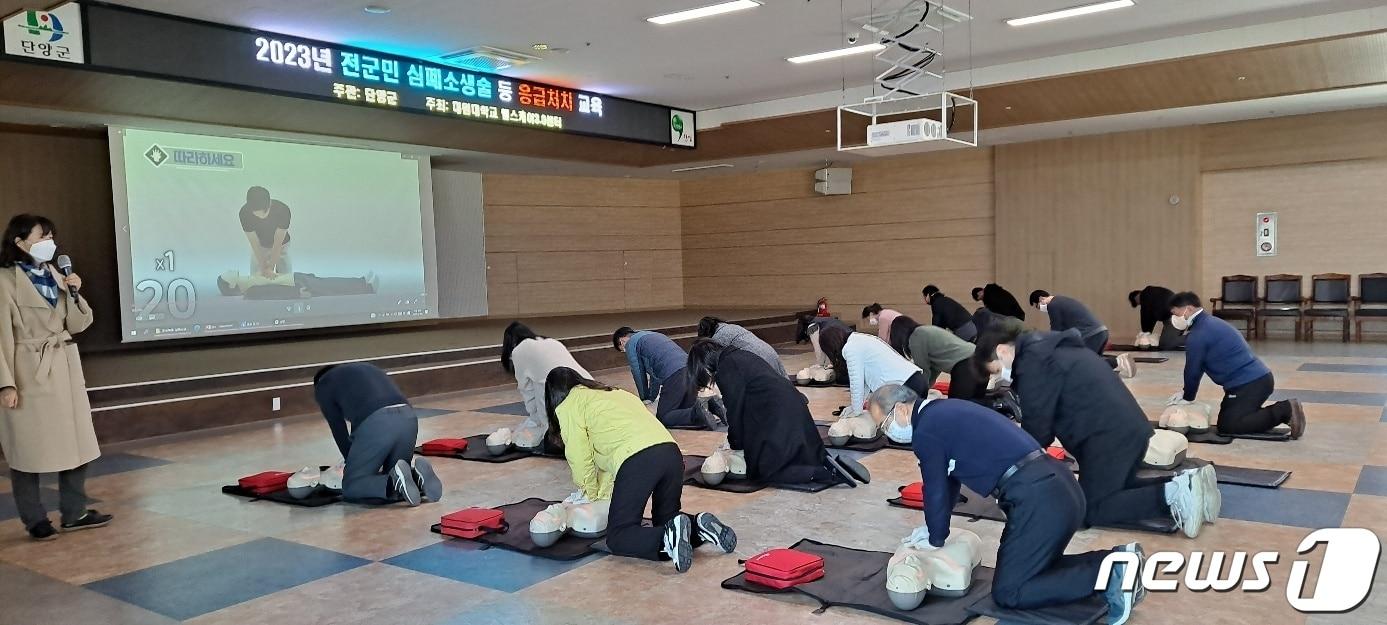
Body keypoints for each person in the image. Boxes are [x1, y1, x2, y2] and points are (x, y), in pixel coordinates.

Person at [876, 391, 1143, 625]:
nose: (885, 431)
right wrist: (936, 531)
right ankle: (1117, 561)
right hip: (1058, 487)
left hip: (1039, 499)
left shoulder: (926, 431)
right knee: (1035, 570)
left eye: (884, 423)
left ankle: (1113, 573)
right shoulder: (941, 412)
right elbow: (948, 483)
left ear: (900, 408)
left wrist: (934, 539)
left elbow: (934, 488)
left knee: (1011, 592)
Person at [973, 325, 1218, 537]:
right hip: (1127, 430)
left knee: (1089, 510)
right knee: (1118, 488)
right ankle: (1187, 484)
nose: (1001, 377)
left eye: (996, 370)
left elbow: (1038, 429)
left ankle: (1174, 494)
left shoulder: (1033, 363)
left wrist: (1011, 470)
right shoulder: (1051, 349)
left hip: (1107, 438)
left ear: (1002, 351)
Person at [544, 367, 736, 572]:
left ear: (553, 395)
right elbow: (610, 457)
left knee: (619, 536)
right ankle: (699, 527)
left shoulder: (567, 406)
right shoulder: (615, 393)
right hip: (670, 452)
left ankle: (667, 540)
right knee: (666, 518)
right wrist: (602, 492)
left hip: (638, 459)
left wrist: (590, 494)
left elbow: (579, 456)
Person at [0, 215, 111, 541]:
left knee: (78, 444)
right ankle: (35, 519)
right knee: (27, 449)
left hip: (64, 366)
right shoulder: (5, 281)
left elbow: (78, 324)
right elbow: (1, 336)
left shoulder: (55, 274)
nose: (50, 241)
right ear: (20, 242)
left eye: (51, 235)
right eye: (42, 236)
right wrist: (6, 383)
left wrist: (74, 292)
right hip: (28, 371)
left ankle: (74, 512)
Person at [686, 340, 869, 486]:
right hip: (793, 406)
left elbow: (735, 409)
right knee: (801, 455)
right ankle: (831, 463)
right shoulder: (738, 355)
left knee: (765, 471)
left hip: (778, 414)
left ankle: (823, 473)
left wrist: (735, 443)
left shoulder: (726, 368)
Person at [1169, 292, 1306, 438]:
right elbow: (1198, 367)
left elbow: (1193, 369)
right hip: (1254, 380)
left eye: (1176, 313)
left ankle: (1285, 410)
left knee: (1229, 426)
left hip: (1249, 384)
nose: (1174, 318)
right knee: (1231, 418)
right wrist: (1187, 393)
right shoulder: (1210, 323)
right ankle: (1270, 412)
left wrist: (1188, 397)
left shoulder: (1198, 334)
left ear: (1188, 309)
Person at [313, 363, 441, 506]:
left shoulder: (323, 385)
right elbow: (359, 429)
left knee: (352, 485)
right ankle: (416, 477)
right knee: (396, 471)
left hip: (378, 421)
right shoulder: (363, 371)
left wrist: (351, 464)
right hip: (408, 418)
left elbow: (338, 429)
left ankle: (393, 482)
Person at [500, 321, 592, 444]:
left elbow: (527, 390)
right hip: (589, 385)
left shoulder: (519, 350)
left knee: (551, 435)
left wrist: (535, 419)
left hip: (559, 392)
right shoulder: (551, 341)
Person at [612, 327, 717, 429]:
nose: (625, 351)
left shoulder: (631, 343)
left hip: (675, 375)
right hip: (692, 370)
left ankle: (699, 413)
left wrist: (644, 397)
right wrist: (651, 397)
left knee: (664, 417)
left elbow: (638, 372)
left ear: (621, 341)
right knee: (682, 410)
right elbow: (655, 376)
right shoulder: (653, 335)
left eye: (622, 349)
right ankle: (709, 407)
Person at [817, 326, 924, 419]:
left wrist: (856, 411)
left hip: (906, 387)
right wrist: (855, 407)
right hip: (916, 380)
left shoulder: (850, 349)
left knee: (899, 434)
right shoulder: (858, 338)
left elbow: (857, 382)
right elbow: (865, 382)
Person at [1029, 289, 1135, 378]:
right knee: (1091, 365)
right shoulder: (1062, 301)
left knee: (1081, 363)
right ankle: (1117, 364)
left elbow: (1056, 331)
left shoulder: (1053, 305)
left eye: (1037, 306)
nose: (1040, 309)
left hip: (1090, 334)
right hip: (1100, 332)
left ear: (1041, 299)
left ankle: (1119, 362)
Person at [887, 314, 975, 388]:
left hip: (966, 364)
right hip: (973, 356)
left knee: (958, 401)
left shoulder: (916, 337)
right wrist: (927, 387)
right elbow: (933, 369)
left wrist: (918, 395)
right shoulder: (923, 331)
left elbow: (923, 370)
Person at [697, 316, 786, 377]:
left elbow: (714, 364)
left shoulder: (718, 337)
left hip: (757, 361)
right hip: (770, 353)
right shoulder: (733, 327)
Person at [216, 269, 379, 298]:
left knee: (328, 283)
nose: (230, 270)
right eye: (228, 273)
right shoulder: (250, 291)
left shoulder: (248, 282)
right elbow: (273, 292)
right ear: (231, 284)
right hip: (295, 284)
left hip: (294, 278)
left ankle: (361, 281)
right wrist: (296, 293)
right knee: (329, 287)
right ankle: (366, 287)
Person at [240, 186, 292, 277]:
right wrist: (264, 268)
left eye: (264, 213)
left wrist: (270, 268)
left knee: (285, 276)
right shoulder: (244, 213)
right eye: (256, 214)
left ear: (270, 204)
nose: (261, 217)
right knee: (256, 276)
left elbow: (277, 243)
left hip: (282, 244)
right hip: (260, 244)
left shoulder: (283, 210)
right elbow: (254, 243)